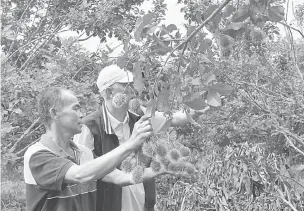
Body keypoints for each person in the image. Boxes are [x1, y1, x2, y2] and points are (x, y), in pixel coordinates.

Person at [73, 64, 209, 211]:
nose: (132, 90)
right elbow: (85, 174)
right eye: (126, 86)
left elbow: (176, 119)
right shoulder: (88, 127)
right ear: (109, 92)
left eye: (132, 85)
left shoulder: (141, 116)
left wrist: (204, 106)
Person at [24, 87, 157, 211]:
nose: (81, 114)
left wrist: (163, 168)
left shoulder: (84, 153)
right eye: (75, 109)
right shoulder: (37, 155)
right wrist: (131, 143)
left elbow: (120, 178)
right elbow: (80, 175)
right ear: (54, 113)